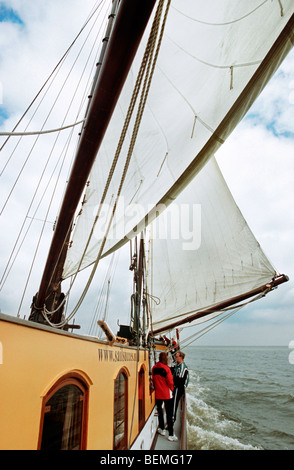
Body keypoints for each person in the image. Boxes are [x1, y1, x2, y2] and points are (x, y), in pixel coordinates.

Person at [152, 352, 177, 442]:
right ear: (165, 359)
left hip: (158, 394)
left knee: (160, 412)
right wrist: (172, 389)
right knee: (169, 415)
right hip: (167, 394)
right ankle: (171, 434)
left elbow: (154, 380)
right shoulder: (166, 369)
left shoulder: (154, 368)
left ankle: (162, 429)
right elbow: (170, 382)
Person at [172, 350, 189, 423]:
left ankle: (172, 419)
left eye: (176, 356)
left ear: (181, 357)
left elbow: (181, 379)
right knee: (173, 402)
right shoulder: (178, 365)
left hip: (179, 387)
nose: (175, 358)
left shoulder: (182, 367)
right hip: (177, 386)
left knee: (174, 403)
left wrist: (173, 384)